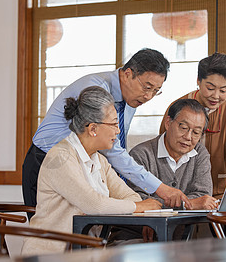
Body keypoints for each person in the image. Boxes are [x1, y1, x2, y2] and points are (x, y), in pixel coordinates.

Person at [23, 48, 192, 217]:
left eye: (156, 91)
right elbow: (113, 152)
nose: (148, 96)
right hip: (49, 160)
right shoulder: (96, 90)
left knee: (86, 224)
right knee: (54, 225)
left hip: (87, 163)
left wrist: (142, 205)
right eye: (147, 87)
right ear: (127, 74)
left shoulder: (131, 100)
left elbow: (114, 147)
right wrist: (159, 189)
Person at [20, 86, 161, 256]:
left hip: (87, 252)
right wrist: (138, 207)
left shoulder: (99, 159)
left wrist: (133, 205)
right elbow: (96, 204)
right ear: (93, 129)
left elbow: (130, 197)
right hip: (52, 254)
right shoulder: (60, 157)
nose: (118, 131)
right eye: (114, 124)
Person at [159, 53, 226, 210]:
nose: (216, 96)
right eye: (210, 88)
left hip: (217, 194)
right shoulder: (178, 108)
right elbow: (162, 151)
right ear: (198, 81)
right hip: (178, 193)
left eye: (224, 90)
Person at [108, 99, 217, 244]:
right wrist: (188, 204)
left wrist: (163, 208)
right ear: (168, 123)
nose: (188, 137)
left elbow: (203, 195)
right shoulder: (142, 154)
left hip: (179, 239)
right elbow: (138, 200)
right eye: (183, 128)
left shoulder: (200, 153)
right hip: (135, 235)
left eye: (196, 132)